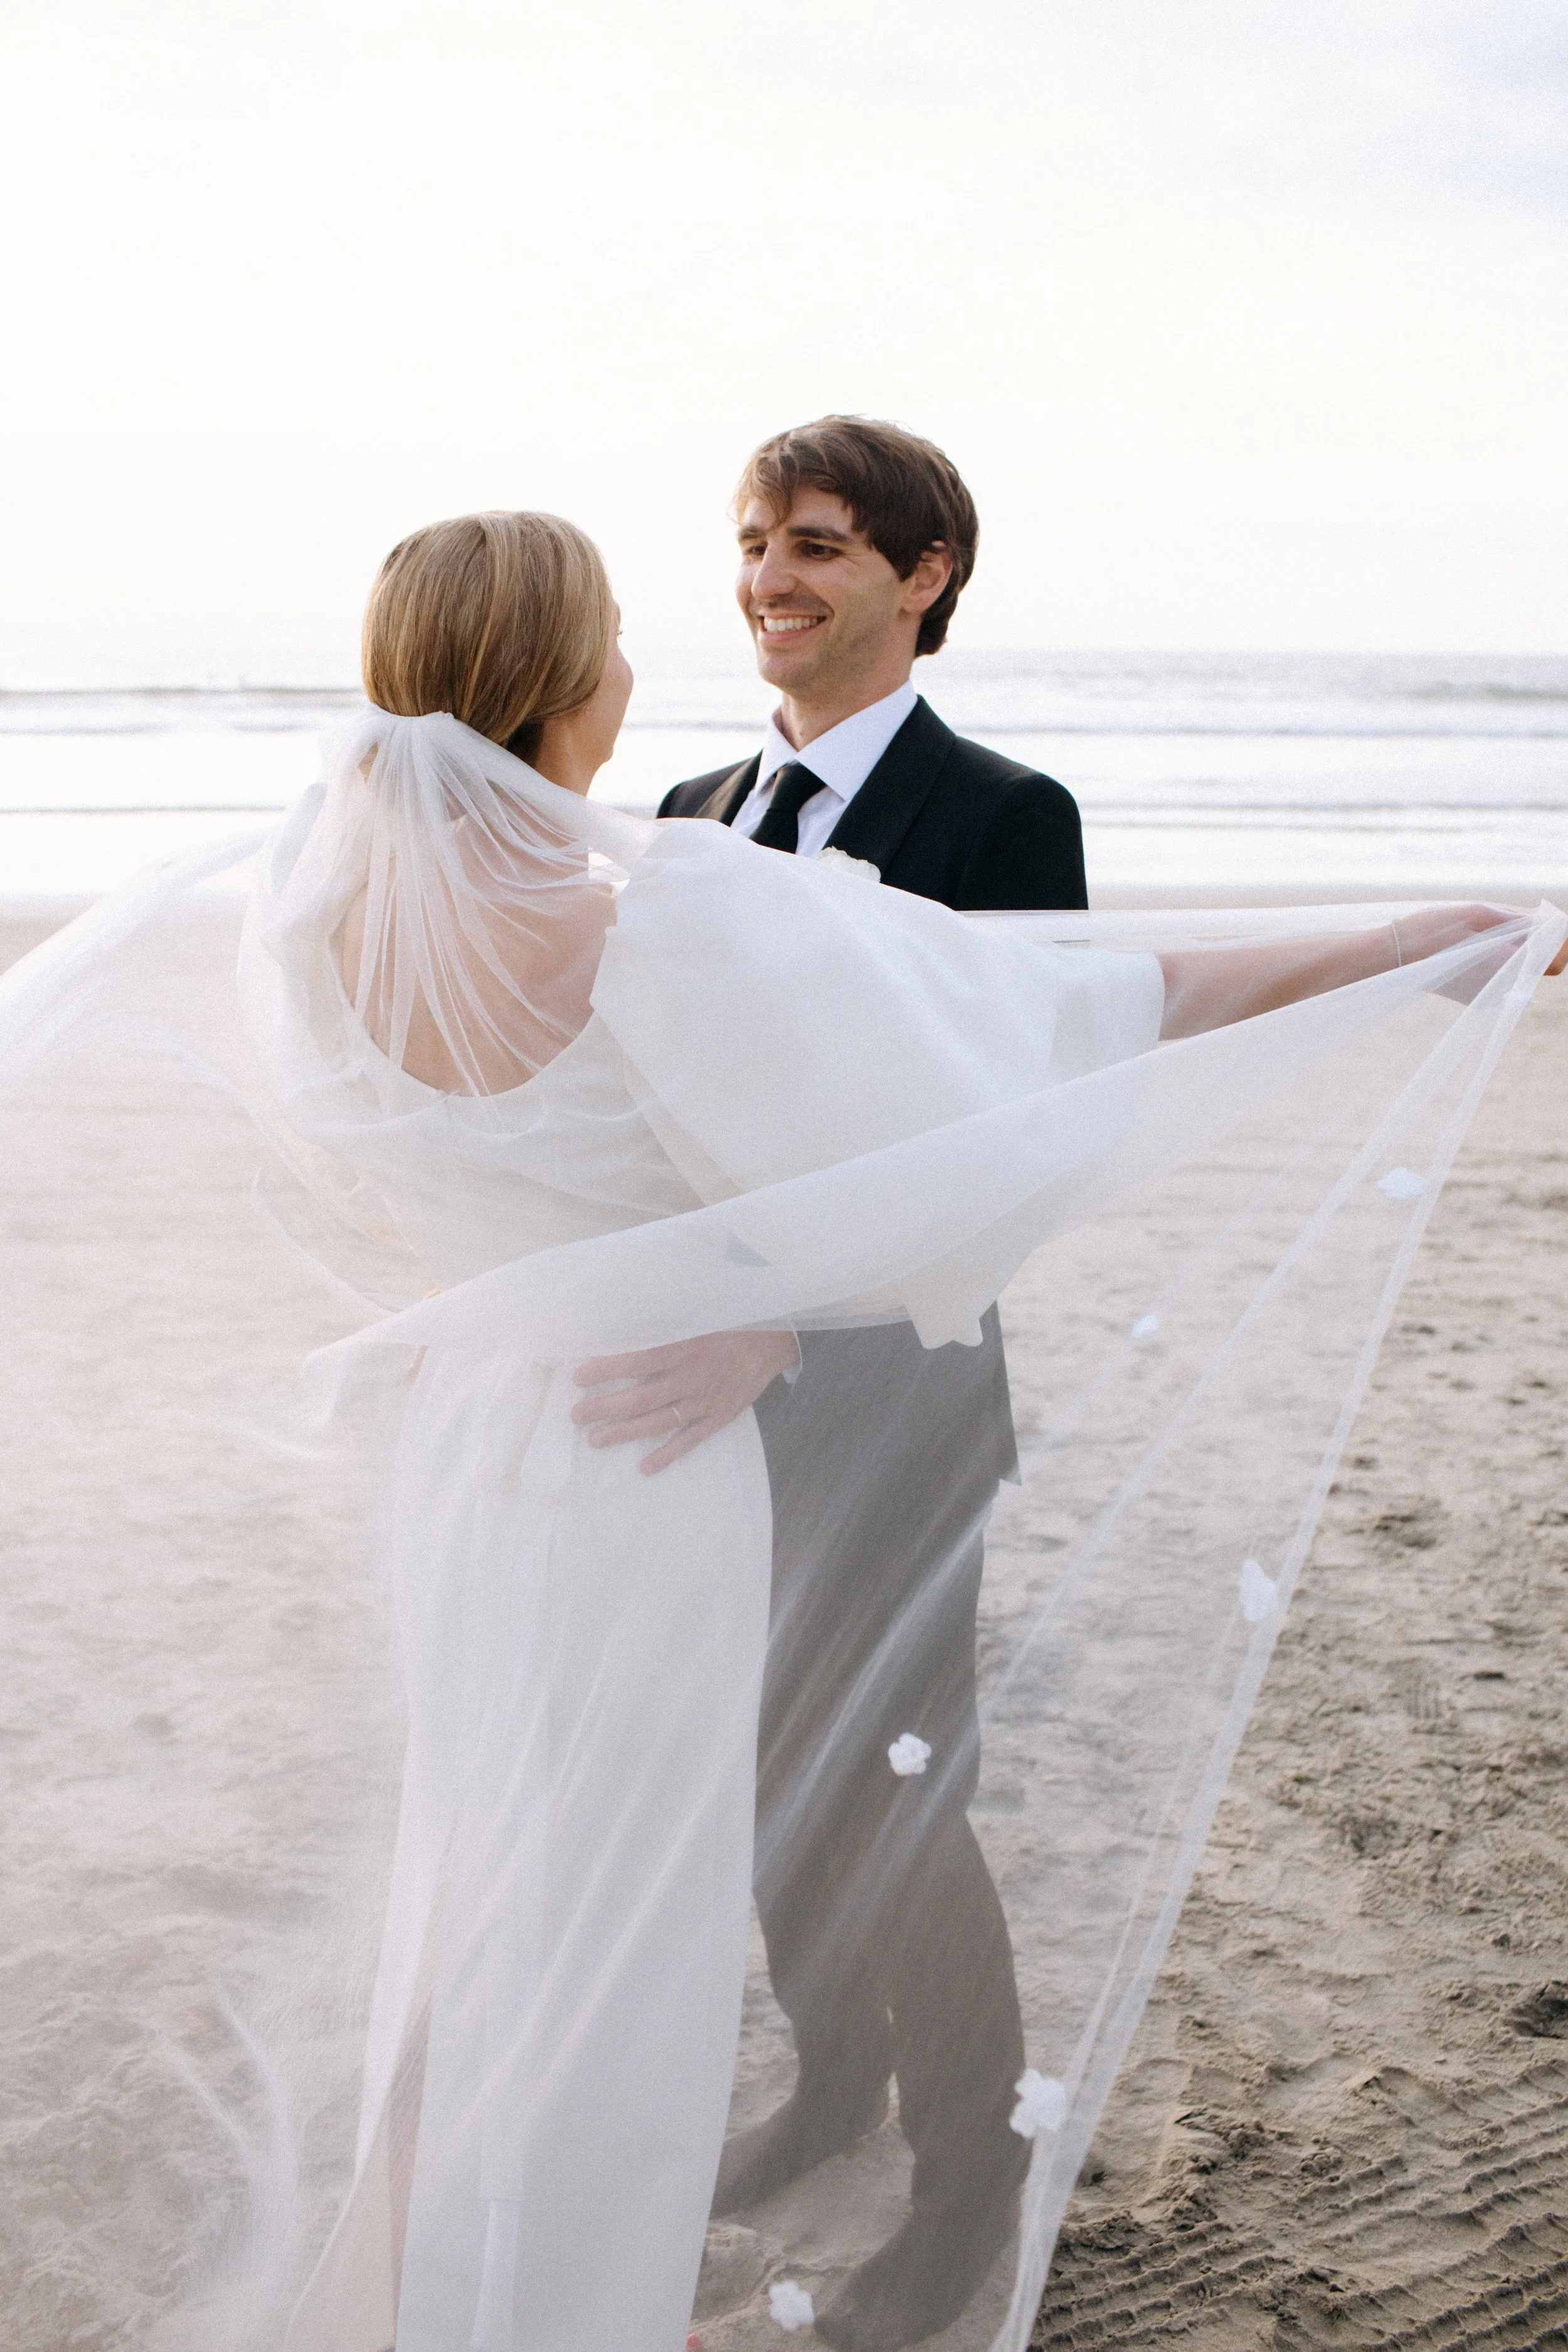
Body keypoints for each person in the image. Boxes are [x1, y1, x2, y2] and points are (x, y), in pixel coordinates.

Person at [3, 505, 1558, 2352]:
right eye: (612, 633)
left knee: (489, 1879)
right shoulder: (643, 909)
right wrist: (1377, 948)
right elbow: (1018, 1050)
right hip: (642, 1470)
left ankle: (432, 2279)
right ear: (572, 671)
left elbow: (410, 1196)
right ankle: (568, 2301)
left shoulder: (315, 923)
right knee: (629, 1920)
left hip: (477, 1460)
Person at [586, 416, 1093, 2343]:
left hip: (894, 1397)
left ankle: (971, 2184)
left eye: (813, 541)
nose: (767, 577)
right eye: (748, 540)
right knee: (755, 1773)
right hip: (698, 1403)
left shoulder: (1002, 817)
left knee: (892, 1794)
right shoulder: (691, 811)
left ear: (922, 572)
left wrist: (786, 1323)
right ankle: (830, 2079)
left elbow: (1016, 1145)